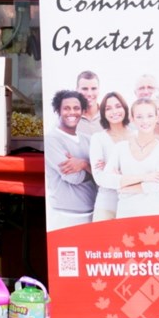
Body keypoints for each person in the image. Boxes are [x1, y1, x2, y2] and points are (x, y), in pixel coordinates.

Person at [105, 98, 159, 218]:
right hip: (126, 215)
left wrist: (124, 186)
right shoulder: (120, 148)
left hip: (154, 214)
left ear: (156, 118)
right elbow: (108, 179)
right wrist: (146, 177)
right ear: (132, 119)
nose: (145, 121)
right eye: (139, 116)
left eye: (150, 116)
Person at [44, 90, 96, 230]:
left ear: (82, 111)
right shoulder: (51, 140)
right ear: (58, 110)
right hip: (66, 215)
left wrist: (83, 164)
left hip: (93, 211)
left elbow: (102, 174)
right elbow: (74, 177)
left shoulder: (89, 140)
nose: (72, 112)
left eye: (76, 108)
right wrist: (91, 170)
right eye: (66, 108)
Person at [88, 92, 131, 221]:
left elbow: (144, 172)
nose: (114, 111)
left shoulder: (136, 136)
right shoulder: (98, 138)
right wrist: (131, 177)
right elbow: (99, 178)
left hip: (132, 205)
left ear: (125, 108)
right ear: (103, 113)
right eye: (108, 108)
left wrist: (109, 167)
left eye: (118, 106)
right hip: (106, 206)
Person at [75, 71, 102, 138]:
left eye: (94, 88)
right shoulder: (69, 118)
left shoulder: (108, 116)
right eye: (85, 89)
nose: (89, 94)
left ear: (99, 90)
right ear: (77, 90)